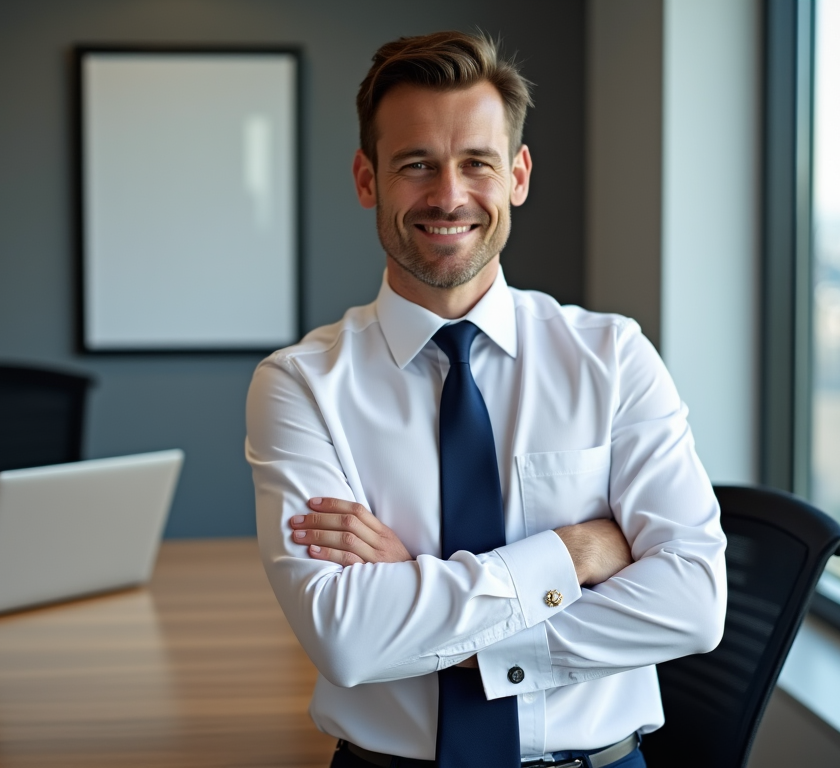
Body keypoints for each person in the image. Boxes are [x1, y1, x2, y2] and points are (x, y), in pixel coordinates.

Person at [246, 30, 726, 768]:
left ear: (518, 175)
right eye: (416, 165)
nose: (448, 196)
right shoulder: (301, 385)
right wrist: (571, 553)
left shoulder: (613, 356)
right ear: (367, 179)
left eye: (477, 163)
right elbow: (346, 638)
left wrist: (436, 614)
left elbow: (693, 602)